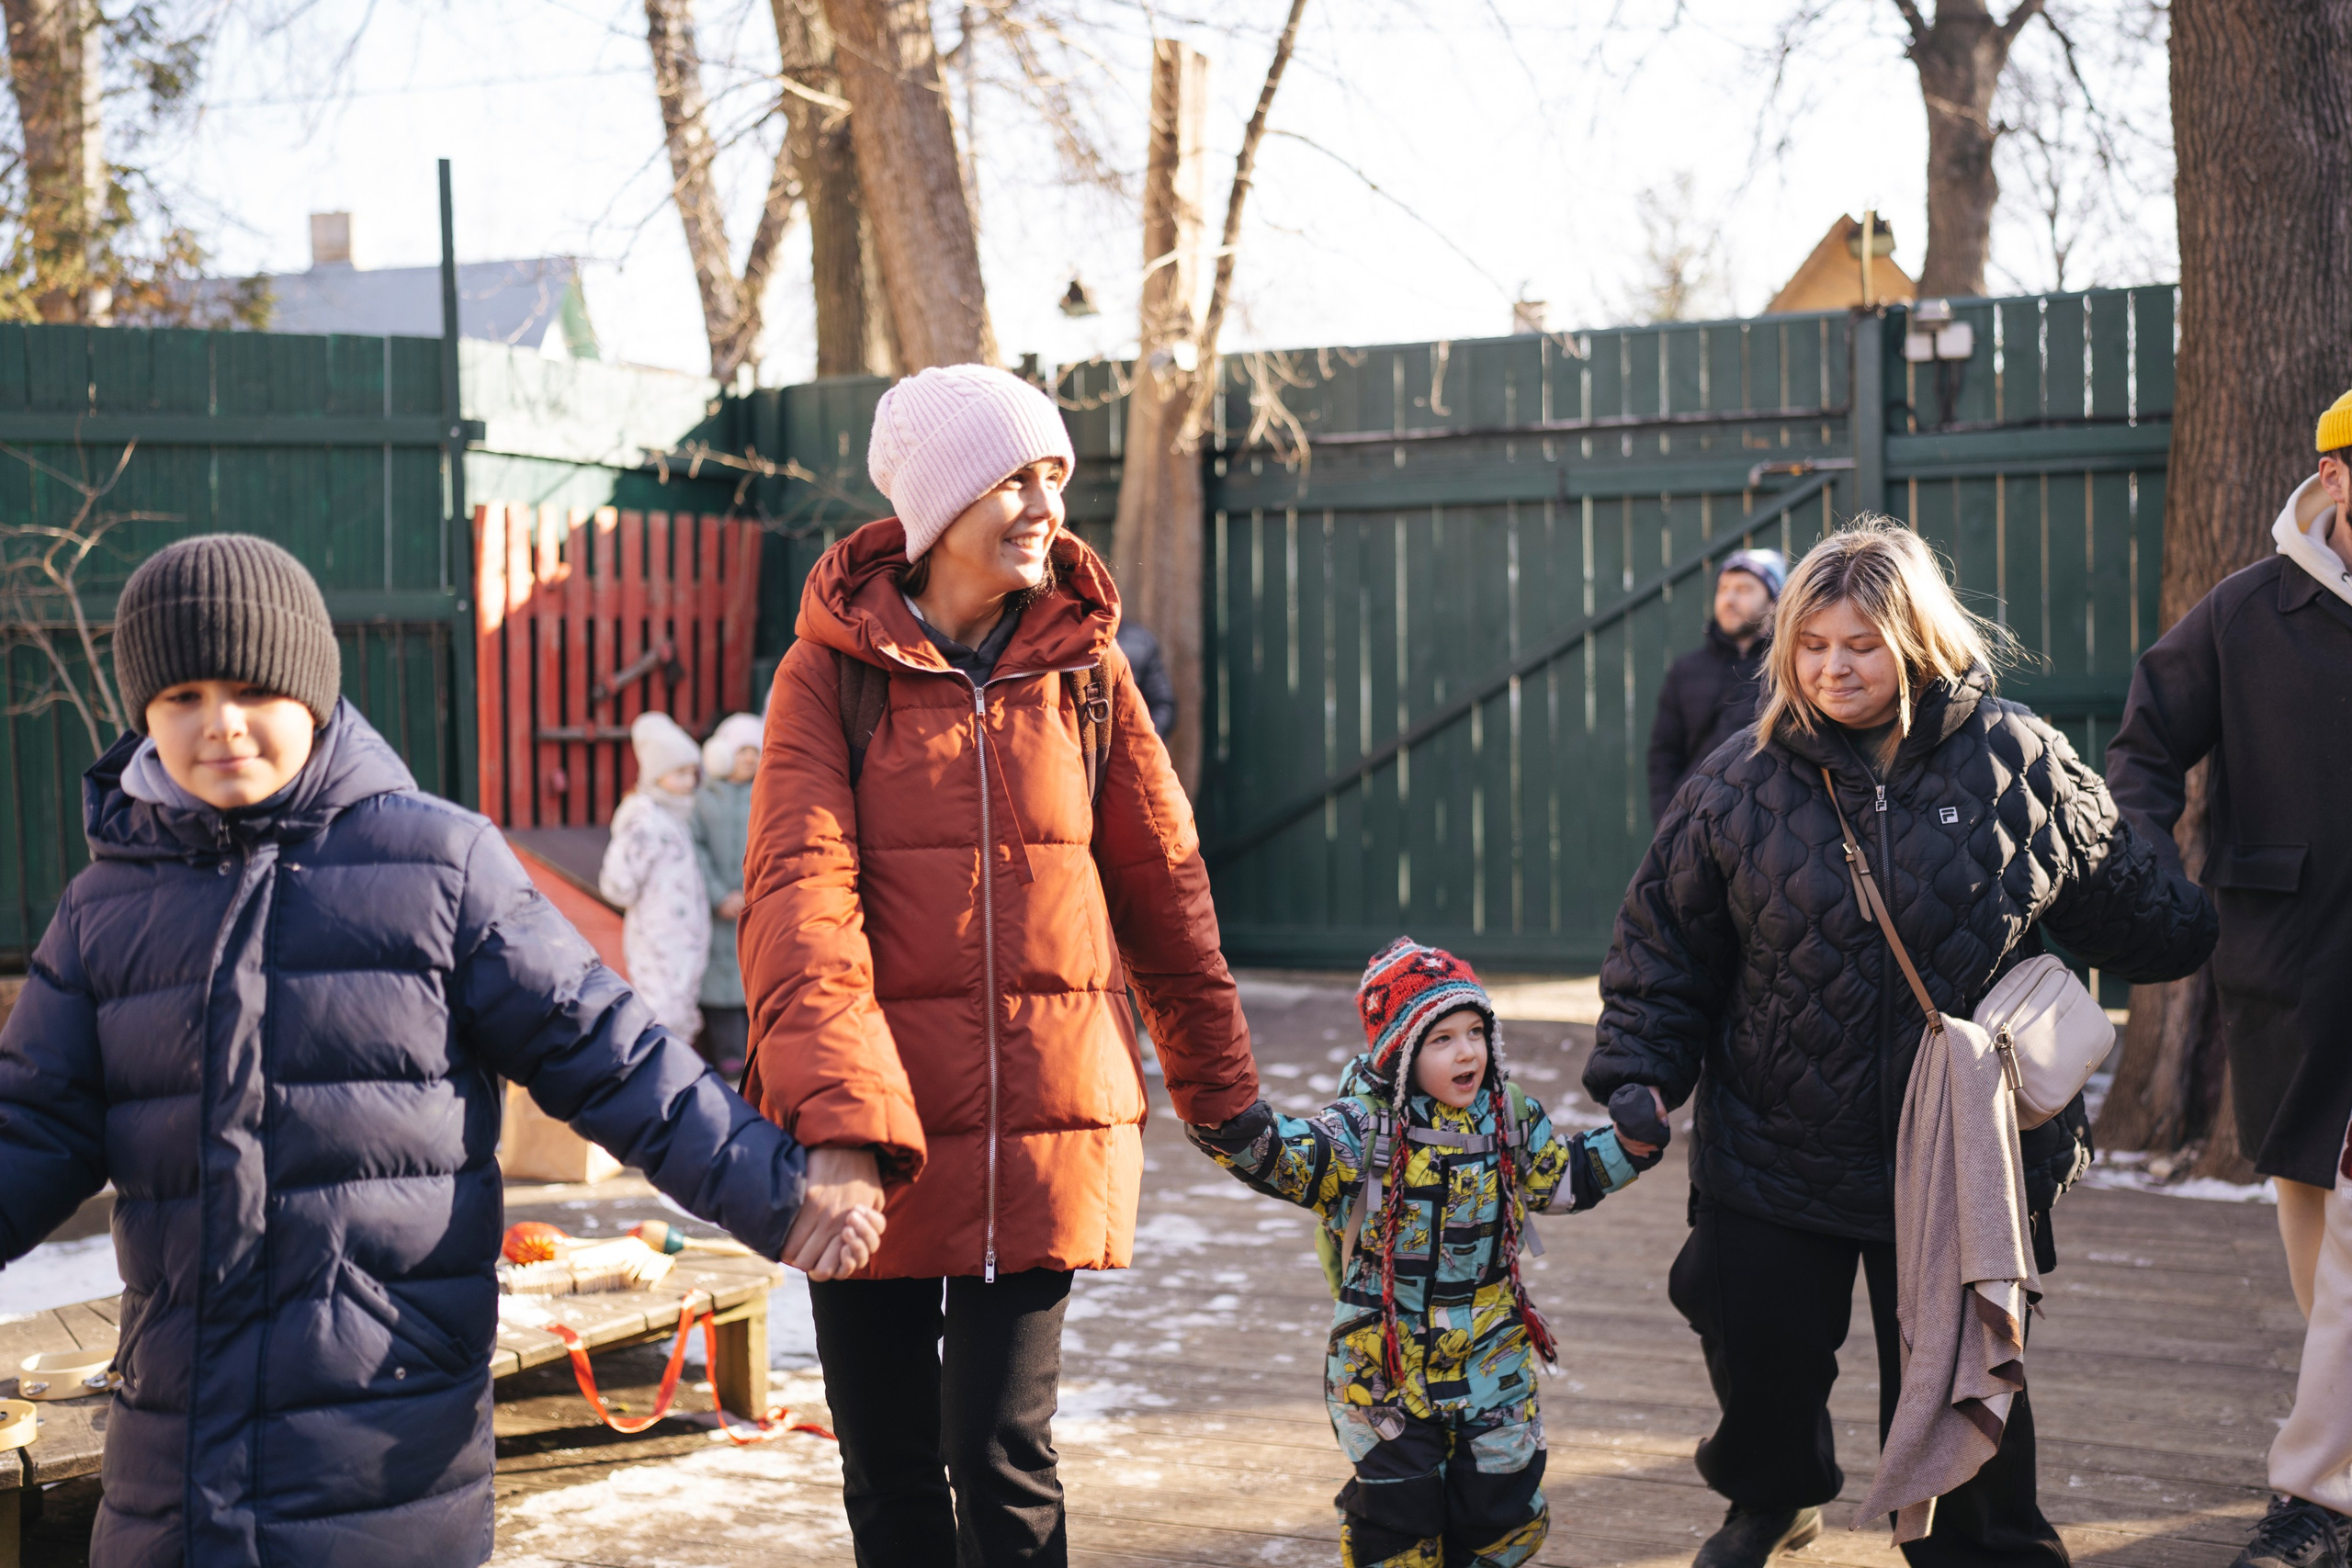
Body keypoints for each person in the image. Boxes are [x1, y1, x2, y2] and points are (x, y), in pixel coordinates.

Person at [0, 534, 876, 1568]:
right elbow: (33, 1127)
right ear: (143, 711)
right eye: (182, 695)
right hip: (175, 1464)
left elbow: (609, 1051)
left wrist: (782, 1191)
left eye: (251, 687)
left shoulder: (434, 863)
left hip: (386, 1439)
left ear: (314, 692)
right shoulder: (107, 910)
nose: (220, 724)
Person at [1586, 518, 2215, 1568]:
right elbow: (1661, 951)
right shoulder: (1735, 782)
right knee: (1760, 1352)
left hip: (1962, 1155)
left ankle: (1984, 1548)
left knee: (1970, 1374)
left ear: (1916, 638)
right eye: (1813, 644)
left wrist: (2201, 862)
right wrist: (1639, 1077)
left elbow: (2149, 926)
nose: (1834, 668)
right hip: (1777, 1139)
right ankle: (1770, 1500)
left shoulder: (2020, 761)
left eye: (1861, 644)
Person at [737, 362, 1260, 1567]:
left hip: (1041, 1124)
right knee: (890, 1468)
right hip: (878, 1133)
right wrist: (836, 1121)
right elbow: (798, 902)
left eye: (1055, 479)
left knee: (1003, 1454)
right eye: (1015, 478)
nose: (1044, 506)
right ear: (938, 505)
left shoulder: (1089, 676)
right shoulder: (829, 676)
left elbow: (1163, 891)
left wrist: (1221, 1090)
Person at [1187, 938, 1662, 1567]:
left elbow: (1561, 1176)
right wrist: (1241, 1134)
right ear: (1402, 1055)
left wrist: (1631, 1143)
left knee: (1501, 1509)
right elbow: (1301, 1160)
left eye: (1474, 1031)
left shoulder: (1508, 1113)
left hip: (1492, 1352)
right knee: (1400, 1519)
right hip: (1382, 1363)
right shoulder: (1365, 1127)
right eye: (1441, 1039)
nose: (1467, 1051)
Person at [2105, 389, 2352, 1568]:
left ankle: (2319, 1494)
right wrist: (2155, 880)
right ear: (2335, 477)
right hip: (2293, 959)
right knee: (2316, 1224)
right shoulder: (2246, 612)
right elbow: (2145, 750)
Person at [1647, 547, 1786, 823]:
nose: (1729, 599)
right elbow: (1664, 756)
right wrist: (1670, 822)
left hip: (1772, 828)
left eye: (1744, 589)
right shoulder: (1686, 671)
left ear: (1774, 601)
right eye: (1723, 589)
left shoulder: (1789, 667)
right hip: (1696, 826)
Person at [600, 711, 710, 1050]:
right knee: (660, 1007)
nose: (689, 781)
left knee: (680, 1004)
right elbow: (618, 884)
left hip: (683, 938)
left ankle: (676, 1077)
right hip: (658, 936)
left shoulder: (675, 817)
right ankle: (659, 1076)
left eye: (692, 773)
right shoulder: (646, 820)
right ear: (657, 775)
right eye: (679, 773)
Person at [693, 711, 764, 1079]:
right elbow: (696, 850)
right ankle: (730, 1057)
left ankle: (754, 1056)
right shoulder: (704, 799)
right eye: (741, 752)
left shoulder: (766, 794)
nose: (749, 760)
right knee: (719, 984)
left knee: (753, 978)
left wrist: (756, 891)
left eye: (755, 751)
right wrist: (719, 894)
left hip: (755, 904)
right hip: (717, 908)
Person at [1115, 620, 1177, 738]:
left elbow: (1161, 703)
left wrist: (1144, 741)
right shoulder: (1139, 641)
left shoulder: (1139, 641)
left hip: (1126, 742)